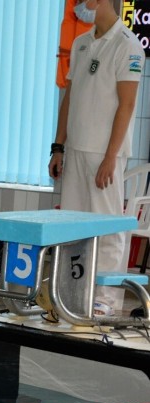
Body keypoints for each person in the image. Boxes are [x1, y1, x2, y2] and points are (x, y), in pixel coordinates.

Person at [48, 0, 144, 317]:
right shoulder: (80, 42)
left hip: (105, 155)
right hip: (75, 149)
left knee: (108, 228)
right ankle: (72, 293)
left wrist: (110, 157)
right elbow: (70, 97)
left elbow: (127, 106)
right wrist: (58, 146)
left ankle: (106, 298)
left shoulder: (127, 44)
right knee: (73, 228)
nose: (79, 4)